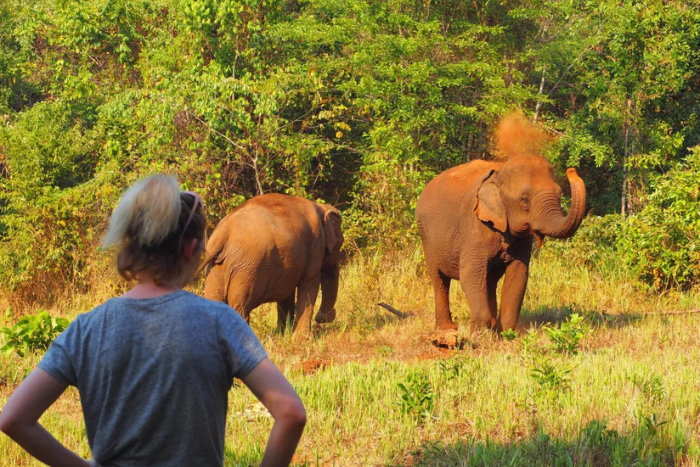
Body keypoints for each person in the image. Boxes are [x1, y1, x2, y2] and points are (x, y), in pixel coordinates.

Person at [0, 175, 306, 467]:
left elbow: (13, 419)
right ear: (189, 250)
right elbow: (291, 413)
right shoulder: (220, 322)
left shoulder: (86, 328)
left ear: (132, 245)